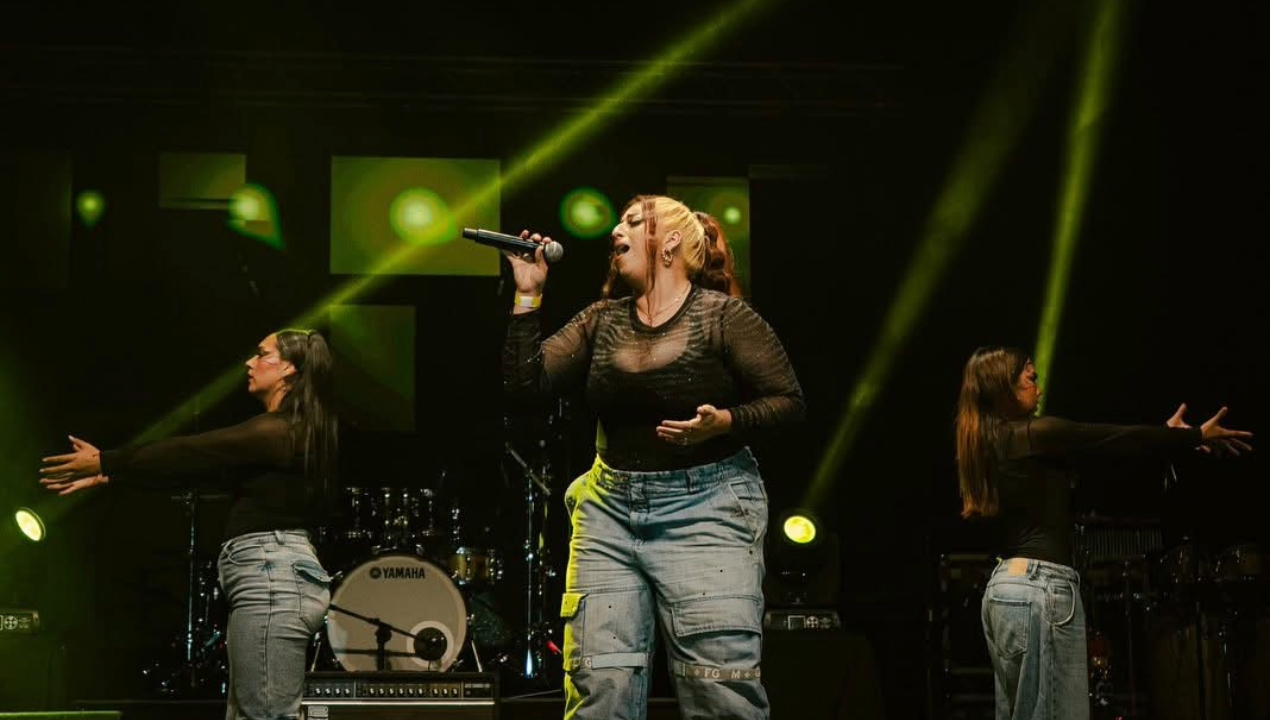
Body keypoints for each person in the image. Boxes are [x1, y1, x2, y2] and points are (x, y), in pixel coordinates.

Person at [502, 194, 805, 720]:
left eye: (634, 221)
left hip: (706, 509)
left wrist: (724, 422)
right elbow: (525, 386)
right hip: (609, 512)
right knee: (599, 687)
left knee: (719, 693)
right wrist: (528, 293)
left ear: (670, 242)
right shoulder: (602, 320)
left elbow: (788, 402)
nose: (616, 231)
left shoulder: (723, 316)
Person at [40, 329, 338, 720]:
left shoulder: (279, 431)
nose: (249, 362)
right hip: (273, 575)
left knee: (265, 714)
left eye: (261, 354)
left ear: (288, 369)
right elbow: (198, 470)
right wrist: (112, 475)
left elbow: (193, 450)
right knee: (252, 713)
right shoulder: (290, 433)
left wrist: (106, 460)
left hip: (272, 576)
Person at [953, 346, 1253, 720]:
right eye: (1031, 377)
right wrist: (1190, 436)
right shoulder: (1034, 434)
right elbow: (1110, 438)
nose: (1039, 388)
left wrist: (1166, 436)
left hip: (1003, 591)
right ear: (1006, 388)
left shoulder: (987, 445)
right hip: (1041, 589)